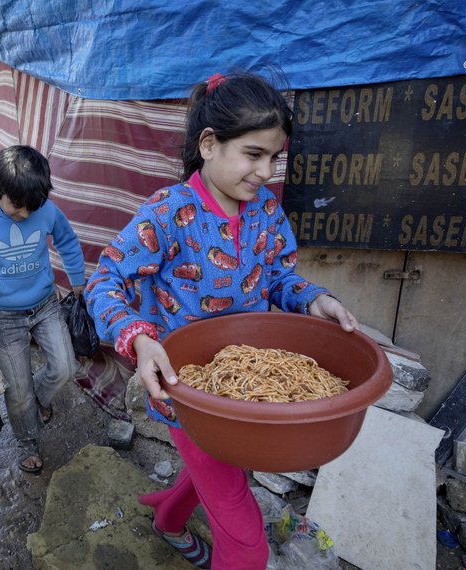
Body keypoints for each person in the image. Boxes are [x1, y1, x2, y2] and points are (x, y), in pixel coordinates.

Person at [84, 72, 359, 570]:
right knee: (246, 540)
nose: (266, 171)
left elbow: (278, 276)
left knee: (220, 466)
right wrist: (139, 339)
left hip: (245, 393)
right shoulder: (168, 212)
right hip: (189, 394)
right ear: (209, 145)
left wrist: (314, 300)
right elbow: (104, 282)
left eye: (275, 158)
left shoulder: (267, 211)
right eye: (254, 155)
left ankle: (167, 516)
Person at [0, 145, 86, 475]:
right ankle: (27, 441)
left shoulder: (45, 209)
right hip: (5, 318)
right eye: (17, 207)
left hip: (46, 305)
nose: (25, 214)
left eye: (32, 207)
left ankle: (39, 397)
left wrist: (77, 278)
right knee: (17, 390)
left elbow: (67, 240)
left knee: (65, 367)